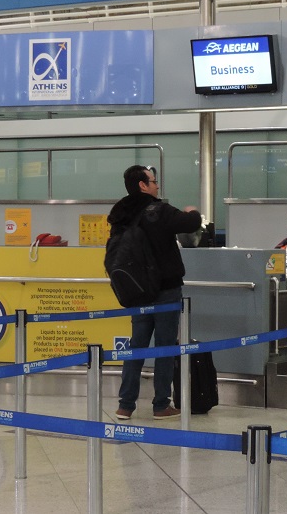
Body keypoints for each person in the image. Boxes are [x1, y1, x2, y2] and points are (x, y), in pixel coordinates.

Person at [109, 165, 201, 421]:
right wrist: (193, 212)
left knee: (136, 347)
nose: (157, 185)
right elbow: (191, 223)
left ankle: (125, 405)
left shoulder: (121, 214)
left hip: (137, 290)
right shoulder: (158, 210)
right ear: (143, 185)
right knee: (164, 347)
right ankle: (161, 405)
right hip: (165, 290)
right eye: (153, 181)